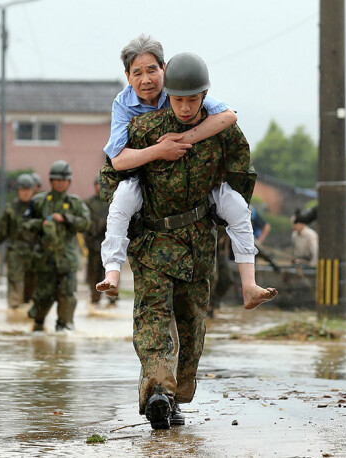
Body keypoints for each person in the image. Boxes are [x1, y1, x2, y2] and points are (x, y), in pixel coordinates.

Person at [99, 52, 270, 430]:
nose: (187, 106)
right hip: (153, 242)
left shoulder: (220, 130)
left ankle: (175, 395)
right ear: (168, 95)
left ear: (204, 95)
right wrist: (154, 157)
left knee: (192, 325)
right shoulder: (145, 129)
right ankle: (158, 389)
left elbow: (241, 166)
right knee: (153, 319)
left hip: (196, 242)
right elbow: (112, 172)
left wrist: (220, 205)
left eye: (194, 99)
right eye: (179, 99)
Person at [97, 34, 276, 311]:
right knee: (120, 203)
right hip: (147, 183)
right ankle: (112, 272)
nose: (146, 80)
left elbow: (228, 116)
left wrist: (185, 138)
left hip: (197, 183)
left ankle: (249, 285)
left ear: (164, 69)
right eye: (138, 73)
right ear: (127, 76)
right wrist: (160, 150)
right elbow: (117, 159)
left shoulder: (182, 88)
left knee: (239, 208)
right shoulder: (123, 105)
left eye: (152, 70)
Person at [23, 161, 90, 332]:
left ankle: (64, 326)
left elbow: (85, 223)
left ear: (69, 182)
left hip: (67, 259)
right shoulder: (39, 201)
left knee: (67, 295)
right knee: (43, 295)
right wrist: (41, 223)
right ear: (51, 181)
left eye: (63, 180)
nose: (60, 183)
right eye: (56, 180)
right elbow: (25, 224)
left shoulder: (74, 203)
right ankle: (38, 323)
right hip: (45, 258)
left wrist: (66, 218)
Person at [0, 174, 36, 309]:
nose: (26, 192)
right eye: (23, 189)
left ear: (33, 190)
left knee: (32, 284)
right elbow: (1, 230)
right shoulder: (11, 209)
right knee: (15, 283)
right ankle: (15, 313)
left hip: (35, 252)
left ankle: (30, 313)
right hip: (16, 251)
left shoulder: (38, 207)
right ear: (18, 191)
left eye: (28, 189)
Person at [83, 173, 116, 308]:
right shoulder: (88, 203)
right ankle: (94, 298)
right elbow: (87, 224)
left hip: (110, 246)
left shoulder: (112, 202)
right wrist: (100, 224)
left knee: (110, 272)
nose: (100, 187)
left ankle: (112, 298)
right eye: (98, 184)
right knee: (94, 273)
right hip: (94, 245)